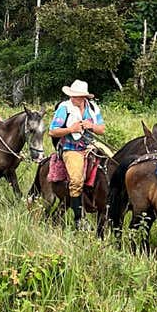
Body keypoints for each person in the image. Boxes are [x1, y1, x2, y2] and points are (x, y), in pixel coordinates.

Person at [48, 80, 105, 229]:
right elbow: (52, 131)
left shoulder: (92, 108)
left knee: (113, 161)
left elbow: (102, 129)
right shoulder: (64, 108)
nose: (74, 99)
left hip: (91, 146)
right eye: (72, 96)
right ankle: (79, 218)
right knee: (76, 180)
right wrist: (70, 129)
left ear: (84, 97)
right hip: (71, 148)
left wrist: (91, 126)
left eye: (77, 96)